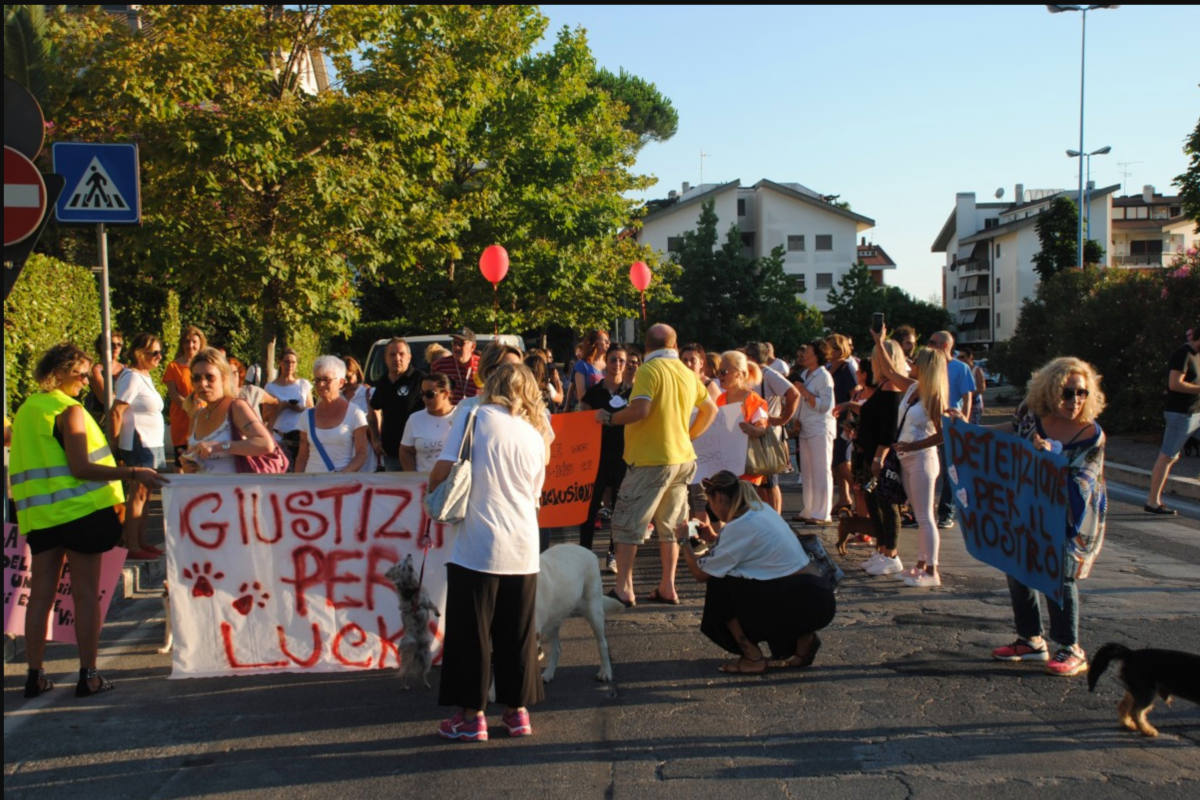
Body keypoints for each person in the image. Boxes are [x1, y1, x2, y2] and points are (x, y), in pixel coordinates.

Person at [10, 343, 167, 699]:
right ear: (59, 372)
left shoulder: (27, 409)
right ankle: (89, 675)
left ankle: (34, 676)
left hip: (41, 516)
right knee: (85, 596)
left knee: (40, 596)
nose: (85, 380)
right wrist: (132, 472)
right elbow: (81, 468)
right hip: (81, 513)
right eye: (80, 374)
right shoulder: (70, 410)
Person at [431, 363, 553, 742]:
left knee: (473, 632)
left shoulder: (474, 417)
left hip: (478, 542)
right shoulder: (535, 433)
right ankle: (518, 712)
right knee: (517, 631)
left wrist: (432, 489)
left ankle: (472, 716)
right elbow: (535, 491)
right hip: (524, 543)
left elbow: (444, 468)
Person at [991, 356, 1108, 677]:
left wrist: (1048, 459)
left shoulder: (1091, 434)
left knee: (1060, 575)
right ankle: (1030, 639)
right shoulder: (1032, 416)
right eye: (1067, 393)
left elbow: (1082, 481)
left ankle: (1071, 647)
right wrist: (966, 428)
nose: (1075, 400)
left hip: (1070, 515)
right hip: (1029, 507)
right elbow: (1012, 432)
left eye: (1082, 393)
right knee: (1018, 568)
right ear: (1050, 391)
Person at [597, 323, 717, 608]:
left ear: (647, 345)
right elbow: (711, 408)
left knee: (628, 523)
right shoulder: (686, 373)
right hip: (682, 457)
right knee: (672, 526)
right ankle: (668, 586)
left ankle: (624, 588)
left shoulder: (648, 371)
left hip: (649, 459)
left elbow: (641, 410)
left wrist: (610, 418)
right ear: (674, 345)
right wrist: (690, 434)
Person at [675, 471, 836, 674]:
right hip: (818, 596)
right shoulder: (761, 509)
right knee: (744, 581)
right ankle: (803, 642)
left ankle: (753, 658)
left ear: (720, 498)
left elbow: (701, 574)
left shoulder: (740, 526)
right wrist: (714, 538)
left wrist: (683, 541)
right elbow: (747, 548)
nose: (710, 508)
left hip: (802, 600)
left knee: (720, 586)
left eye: (710, 502)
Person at [872, 339, 951, 588]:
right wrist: (879, 341)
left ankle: (932, 569)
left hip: (922, 460)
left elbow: (943, 434)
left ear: (926, 367)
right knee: (918, 514)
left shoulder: (934, 397)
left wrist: (914, 446)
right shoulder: (913, 387)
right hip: (906, 459)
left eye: (917, 361)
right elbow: (889, 371)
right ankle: (920, 564)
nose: (912, 363)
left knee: (925, 516)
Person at [109, 333, 167, 559]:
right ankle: (131, 544)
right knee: (138, 494)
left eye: (161, 352)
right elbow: (117, 411)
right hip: (138, 441)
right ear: (139, 353)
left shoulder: (145, 377)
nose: (159, 357)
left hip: (153, 443)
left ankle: (141, 541)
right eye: (154, 353)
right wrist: (114, 445)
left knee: (147, 494)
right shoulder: (131, 377)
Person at [855, 338, 908, 576]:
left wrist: (879, 457)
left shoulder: (892, 387)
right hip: (870, 451)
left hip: (881, 454)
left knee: (887, 504)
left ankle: (891, 553)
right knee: (874, 502)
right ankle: (882, 549)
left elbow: (889, 428)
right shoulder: (883, 385)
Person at [180, 348, 277, 474]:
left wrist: (219, 447)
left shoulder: (236, 407)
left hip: (234, 486)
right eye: (197, 378)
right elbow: (195, 457)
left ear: (224, 378)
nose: (203, 383)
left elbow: (266, 444)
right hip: (202, 486)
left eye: (210, 377)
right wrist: (188, 464)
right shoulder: (197, 415)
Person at [578, 344, 631, 572]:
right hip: (596, 457)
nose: (617, 364)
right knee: (589, 508)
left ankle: (613, 554)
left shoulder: (632, 393)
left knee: (620, 509)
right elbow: (580, 418)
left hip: (623, 456)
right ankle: (584, 555)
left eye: (621, 360)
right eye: (613, 360)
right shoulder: (594, 393)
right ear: (606, 362)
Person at [1144, 325, 1200, 515]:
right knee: (1168, 456)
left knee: (1169, 456)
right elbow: (1174, 383)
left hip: (1196, 413)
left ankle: (1153, 500)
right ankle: (1153, 502)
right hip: (1181, 414)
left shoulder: (1197, 355)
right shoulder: (1183, 354)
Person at [743, 342, 801, 514]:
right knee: (760, 480)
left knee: (770, 481)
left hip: (768, 435)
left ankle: (776, 517)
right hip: (755, 433)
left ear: (751, 358)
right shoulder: (753, 375)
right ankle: (766, 516)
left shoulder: (769, 374)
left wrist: (783, 418)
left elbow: (793, 393)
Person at [928, 330, 976, 529]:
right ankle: (922, 509)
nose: (929, 346)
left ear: (945, 346)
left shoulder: (960, 368)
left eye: (933, 342)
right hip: (928, 423)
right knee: (930, 468)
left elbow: (967, 397)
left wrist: (964, 421)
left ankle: (946, 512)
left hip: (950, 423)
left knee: (950, 469)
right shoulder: (929, 366)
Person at [295, 356, 370, 474]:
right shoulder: (306, 416)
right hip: (311, 482)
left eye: (326, 379)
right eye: (317, 380)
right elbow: (302, 457)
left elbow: (361, 454)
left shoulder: (355, 414)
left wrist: (342, 476)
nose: (321, 384)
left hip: (341, 482)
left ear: (341, 382)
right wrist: (297, 481)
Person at [790, 340, 837, 525]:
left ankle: (823, 513)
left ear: (817, 355)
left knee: (821, 470)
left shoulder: (824, 376)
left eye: (808, 352)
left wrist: (804, 391)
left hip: (820, 428)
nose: (804, 355)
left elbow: (825, 405)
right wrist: (796, 419)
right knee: (808, 471)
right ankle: (809, 509)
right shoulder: (805, 374)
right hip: (805, 427)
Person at [714, 350, 770, 492]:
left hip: (747, 469)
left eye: (723, 372)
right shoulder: (720, 399)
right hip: (725, 467)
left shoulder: (755, 400)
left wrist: (749, 429)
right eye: (718, 372)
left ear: (740, 374)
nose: (719, 376)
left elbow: (761, 430)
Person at [369, 337, 426, 472]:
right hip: (391, 453)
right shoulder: (383, 382)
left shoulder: (420, 380)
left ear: (409, 357)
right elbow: (373, 409)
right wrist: (375, 439)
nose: (397, 358)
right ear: (385, 358)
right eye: (392, 354)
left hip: (417, 452)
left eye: (401, 354)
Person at [825, 334, 858, 514]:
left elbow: (855, 394)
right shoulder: (829, 367)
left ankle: (861, 495)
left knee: (843, 461)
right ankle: (844, 497)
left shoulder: (846, 368)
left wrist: (851, 419)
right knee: (836, 462)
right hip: (832, 418)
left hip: (843, 419)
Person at [164, 325, 206, 466]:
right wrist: (190, 408)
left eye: (194, 342)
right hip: (182, 418)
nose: (190, 345)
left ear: (200, 344)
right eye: (187, 341)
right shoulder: (173, 367)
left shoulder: (206, 365)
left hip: (203, 416)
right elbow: (173, 394)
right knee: (181, 461)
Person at [264, 348, 312, 470]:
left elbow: (312, 411)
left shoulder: (303, 385)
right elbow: (265, 415)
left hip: (300, 437)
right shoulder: (271, 387)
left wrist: (299, 408)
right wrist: (280, 407)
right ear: (280, 363)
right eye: (286, 362)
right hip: (279, 436)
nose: (290, 365)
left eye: (293, 362)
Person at [399, 373, 455, 472]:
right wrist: (412, 476)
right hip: (423, 479)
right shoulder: (415, 419)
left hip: (454, 479)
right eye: (422, 394)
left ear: (445, 394)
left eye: (430, 394)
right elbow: (405, 451)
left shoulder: (461, 415)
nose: (424, 399)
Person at [431, 327, 481, 405]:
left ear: (473, 347)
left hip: (474, 410)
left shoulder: (482, 365)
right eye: (454, 343)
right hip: (448, 411)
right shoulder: (440, 366)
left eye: (461, 343)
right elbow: (432, 392)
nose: (456, 347)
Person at [86, 330, 124, 418]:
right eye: (112, 344)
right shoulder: (95, 369)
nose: (116, 347)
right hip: (102, 418)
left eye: (119, 344)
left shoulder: (126, 369)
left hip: (123, 417)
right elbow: (105, 397)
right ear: (101, 346)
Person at [228, 356, 277, 422]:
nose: (233, 376)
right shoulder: (219, 401)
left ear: (239, 373)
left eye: (235, 372)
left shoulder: (251, 391)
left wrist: (268, 421)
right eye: (228, 373)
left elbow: (275, 402)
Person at [570, 330, 609, 410]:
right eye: (605, 340)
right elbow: (581, 396)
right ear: (595, 343)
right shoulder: (582, 365)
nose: (608, 343)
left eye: (608, 340)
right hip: (589, 411)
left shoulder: (610, 364)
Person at [962, 349, 987, 425]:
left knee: (973, 426)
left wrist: (968, 395)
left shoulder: (976, 370)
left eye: (962, 357)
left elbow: (982, 388)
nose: (960, 359)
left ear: (970, 357)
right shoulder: (961, 370)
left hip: (975, 404)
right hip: (963, 404)